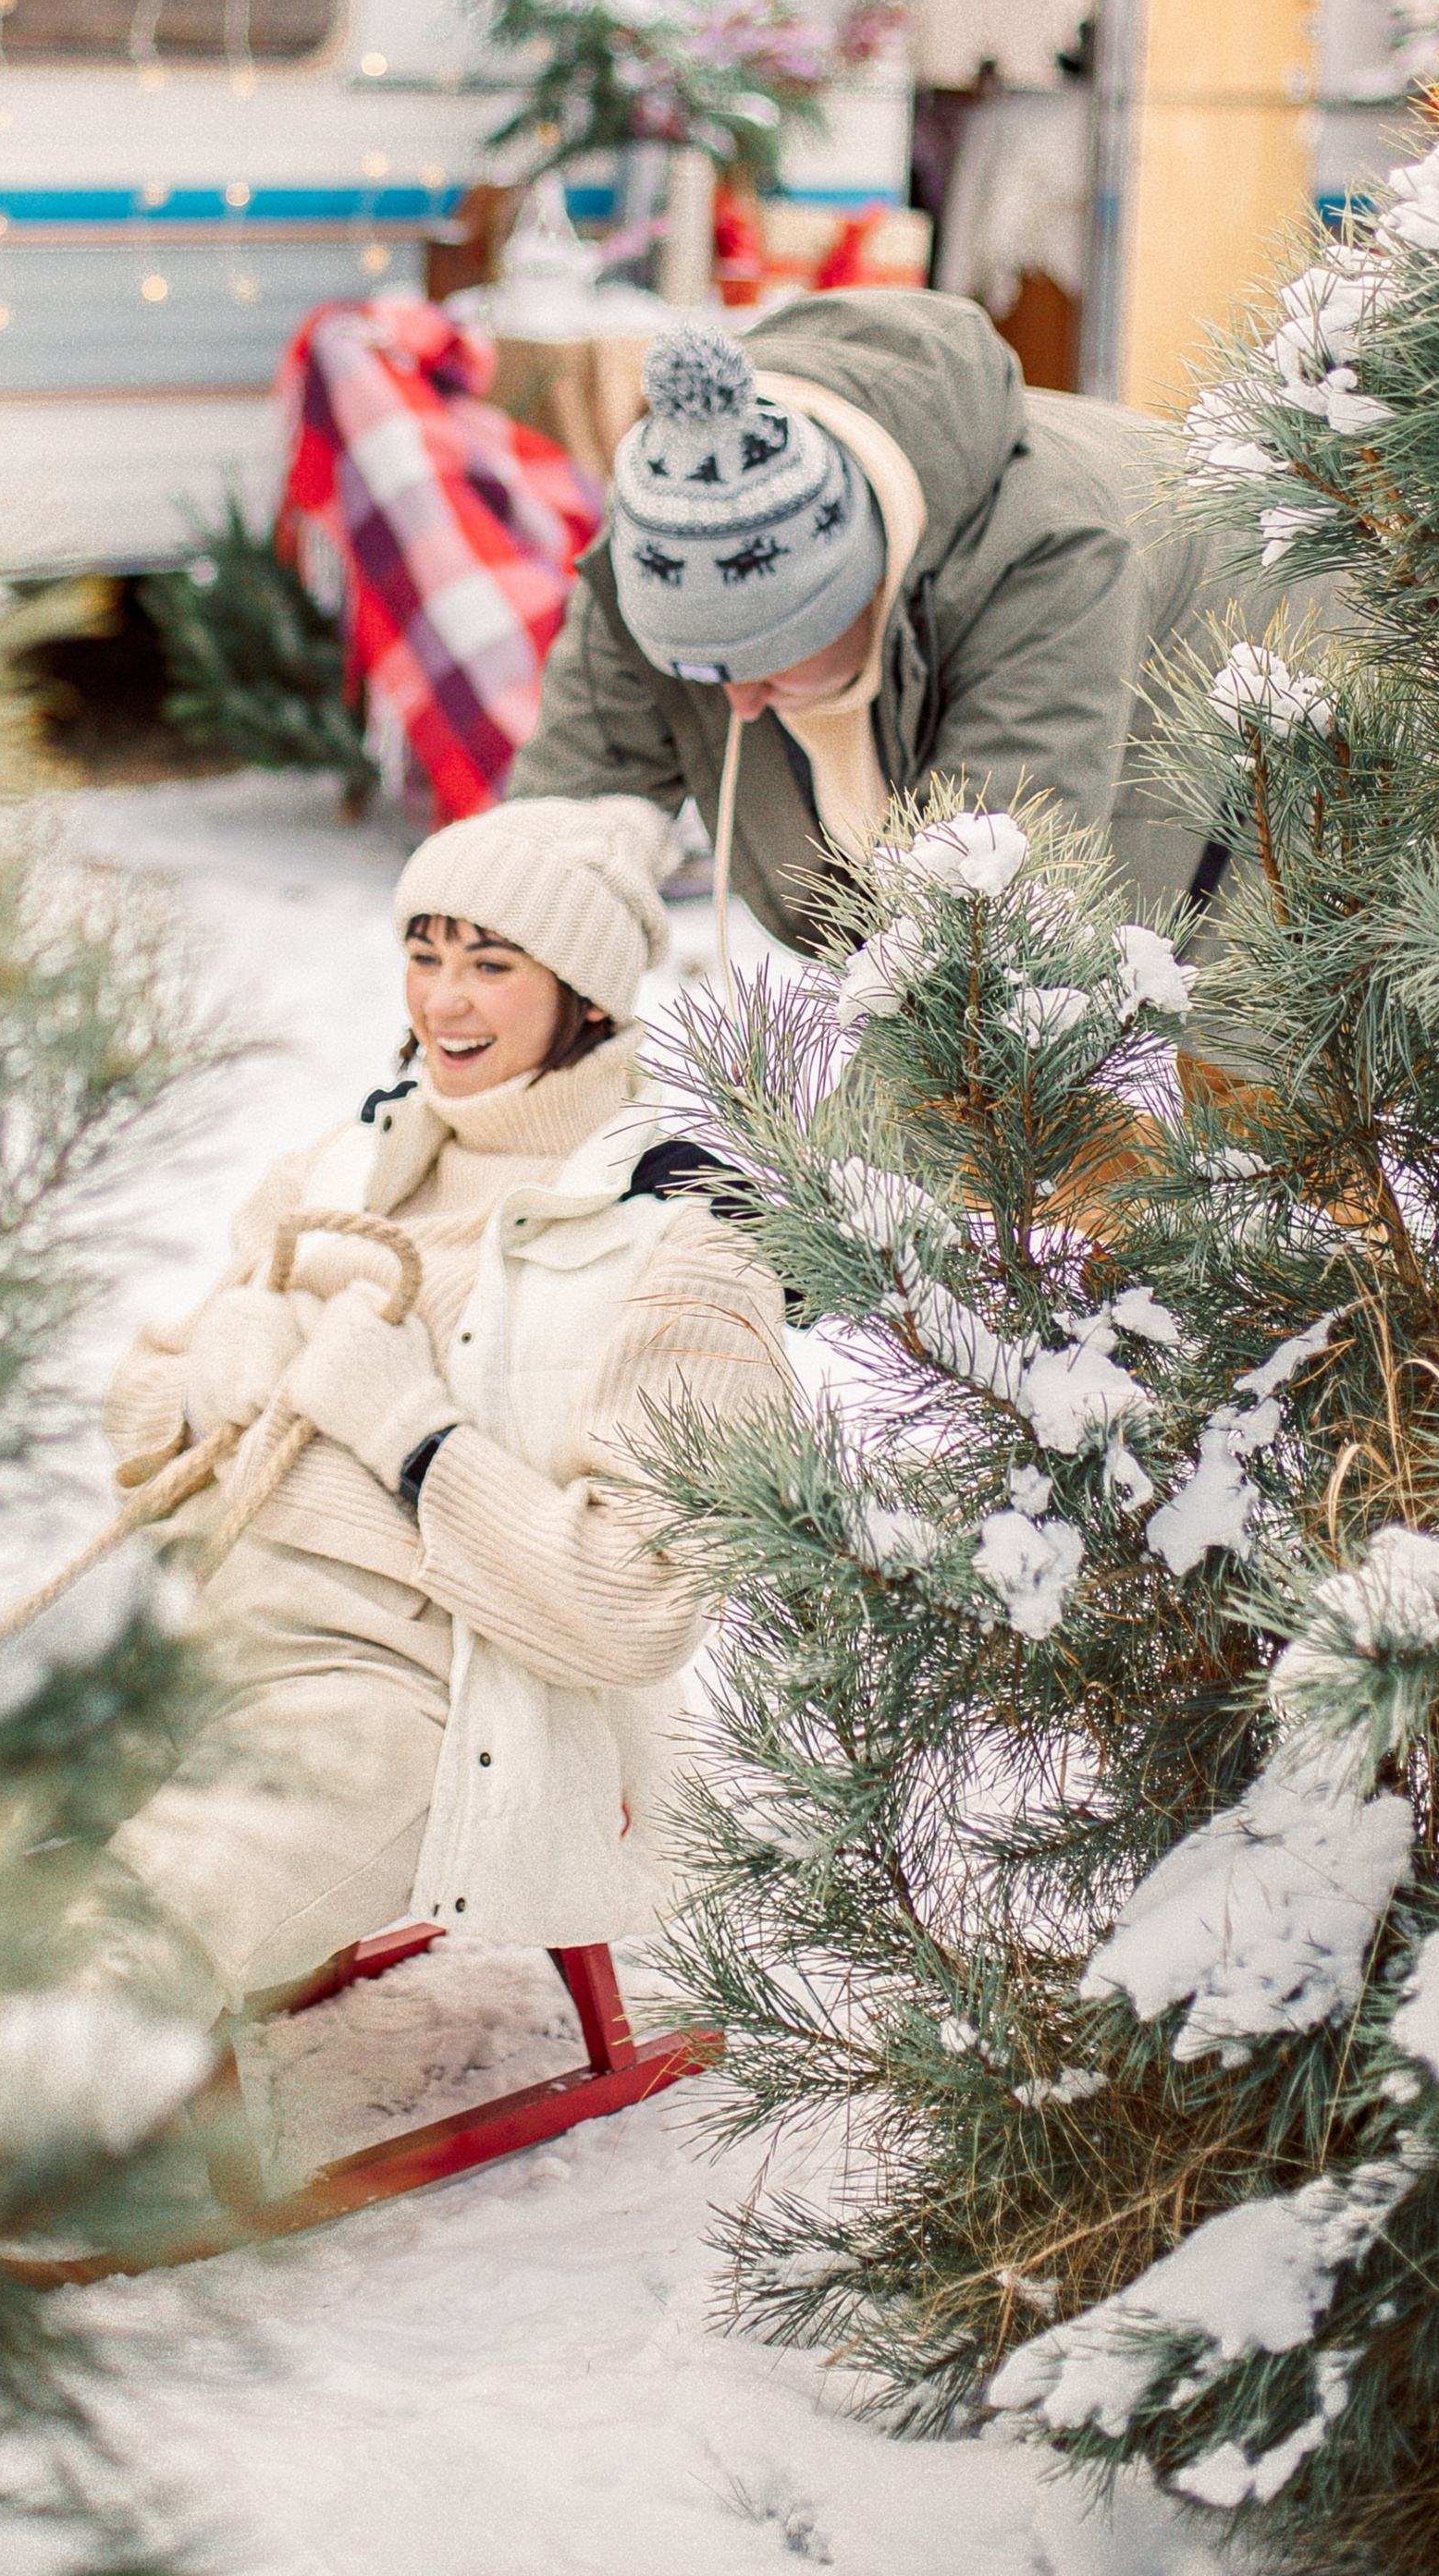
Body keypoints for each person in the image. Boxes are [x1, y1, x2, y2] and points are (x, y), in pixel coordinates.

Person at [96, 794, 790, 2023]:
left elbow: (638, 1605)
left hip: (415, 1691)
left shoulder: (680, 1243)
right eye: (425, 953)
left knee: (123, 1943)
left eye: (491, 964)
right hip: (193, 1616)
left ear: (585, 991)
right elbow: (136, 1422)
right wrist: (211, 1368)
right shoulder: (334, 1173)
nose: (444, 1002)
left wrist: (417, 1439)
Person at [510, 290, 1256, 954]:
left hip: (1259, 681)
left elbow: (976, 937)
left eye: (768, 657)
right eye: (703, 670)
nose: (737, 700)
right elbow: (562, 829)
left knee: (1231, 1064)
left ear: (864, 588)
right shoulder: (667, 540)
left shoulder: (1051, 555)